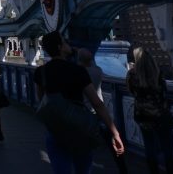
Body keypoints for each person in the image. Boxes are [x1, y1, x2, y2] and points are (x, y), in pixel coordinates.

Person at [34, 31, 123, 174]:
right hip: (79, 129)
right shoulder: (78, 71)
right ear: (59, 47)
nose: (68, 44)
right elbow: (97, 104)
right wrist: (114, 132)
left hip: (56, 129)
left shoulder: (41, 72)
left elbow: (41, 100)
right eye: (65, 42)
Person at [127, 47, 173, 174]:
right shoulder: (158, 73)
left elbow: (131, 91)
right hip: (161, 113)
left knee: (149, 147)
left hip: (142, 114)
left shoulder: (132, 75)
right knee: (168, 148)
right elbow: (163, 92)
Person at [78, 48, 126, 173]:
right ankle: (123, 168)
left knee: (84, 147)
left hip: (85, 112)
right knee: (111, 141)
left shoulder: (78, 72)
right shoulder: (97, 71)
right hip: (99, 111)